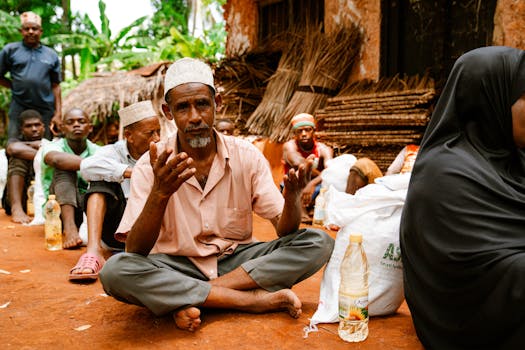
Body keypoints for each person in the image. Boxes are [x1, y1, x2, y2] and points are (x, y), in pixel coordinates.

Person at [99, 58, 334, 332]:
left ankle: (196, 297)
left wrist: (292, 198)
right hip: (175, 265)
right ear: (168, 112)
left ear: (217, 103)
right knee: (116, 271)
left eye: (202, 104)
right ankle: (251, 301)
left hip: (238, 261)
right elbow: (135, 250)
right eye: (183, 107)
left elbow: (285, 231)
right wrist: (160, 193)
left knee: (317, 241)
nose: (195, 117)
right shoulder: (150, 165)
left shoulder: (246, 156)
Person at [400, 46, 525, 349]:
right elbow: (470, 266)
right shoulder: (443, 173)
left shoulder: (513, 159)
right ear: (489, 97)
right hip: (465, 317)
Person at [69, 101, 161, 282]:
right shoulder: (112, 152)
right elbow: (87, 167)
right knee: (100, 182)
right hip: (115, 231)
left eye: (159, 131)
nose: (157, 138)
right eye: (150, 133)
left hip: (150, 232)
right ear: (129, 136)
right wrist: (134, 173)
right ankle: (94, 252)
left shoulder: (163, 150)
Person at [41, 108, 99, 249]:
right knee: (64, 167)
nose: (76, 125)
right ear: (62, 128)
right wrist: (95, 165)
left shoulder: (98, 151)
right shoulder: (53, 146)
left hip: (89, 209)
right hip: (57, 211)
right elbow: (55, 159)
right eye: (70, 122)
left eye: (81, 121)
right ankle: (69, 228)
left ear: (90, 127)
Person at [0, 11, 62, 140]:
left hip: (45, 107)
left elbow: (55, 86)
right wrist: (14, 86)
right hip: (19, 104)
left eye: (34, 28)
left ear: (41, 31)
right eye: (26, 29)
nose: (31, 32)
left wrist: (58, 113)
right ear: (21, 31)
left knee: (46, 145)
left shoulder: (51, 54)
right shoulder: (10, 50)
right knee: (14, 141)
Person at [282, 113, 333, 222]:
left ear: (314, 131)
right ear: (294, 133)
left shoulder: (323, 149)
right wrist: (320, 175)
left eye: (307, 130)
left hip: (315, 186)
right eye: (299, 131)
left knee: (330, 186)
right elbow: (300, 164)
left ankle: (311, 208)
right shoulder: (290, 146)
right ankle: (302, 211)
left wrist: (312, 183)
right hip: (293, 185)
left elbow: (331, 170)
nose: (304, 134)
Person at [3, 109, 45, 223]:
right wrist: (44, 153)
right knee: (18, 157)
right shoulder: (15, 141)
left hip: (46, 196)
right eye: (29, 126)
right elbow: (13, 148)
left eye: (37, 125)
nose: (34, 129)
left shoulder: (50, 142)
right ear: (21, 129)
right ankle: (16, 208)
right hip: (23, 198)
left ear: (43, 126)